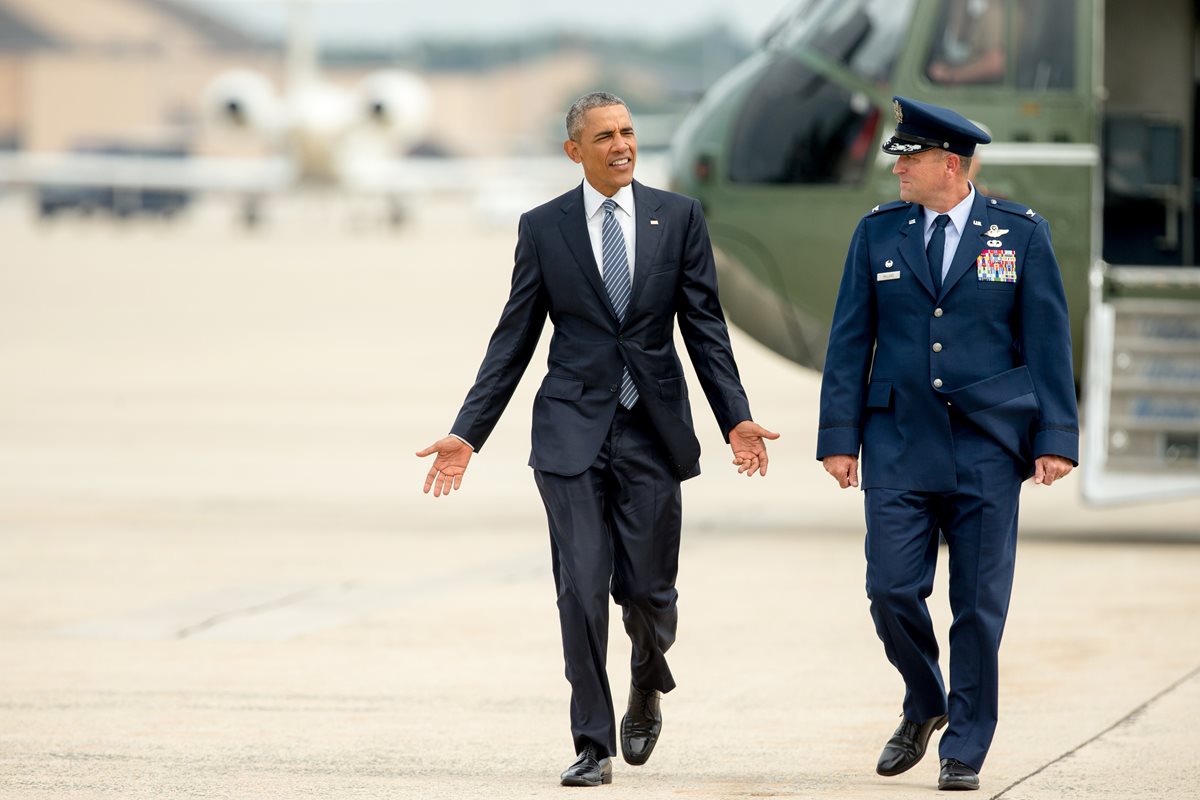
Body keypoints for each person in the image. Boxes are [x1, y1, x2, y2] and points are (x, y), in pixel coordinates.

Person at [417, 91, 778, 788]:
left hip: (652, 431)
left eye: (629, 132)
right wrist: (469, 432)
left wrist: (735, 415)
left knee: (648, 593)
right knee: (580, 589)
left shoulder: (678, 218)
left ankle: (647, 679)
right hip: (569, 434)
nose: (622, 145)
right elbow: (513, 340)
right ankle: (593, 742)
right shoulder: (544, 228)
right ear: (573, 151)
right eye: (605, 136)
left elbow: (705, 328)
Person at [817, 96, 1078, 792]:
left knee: (978, 608)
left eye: (910, 158)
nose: (897, 170)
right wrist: (838, 438)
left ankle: (964, 745)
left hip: (988, 445)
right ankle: (925, 697)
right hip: (896, 438)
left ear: (951, 166)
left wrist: (1056, 437)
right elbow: (849, 341)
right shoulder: (878, 234)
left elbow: (1048, 343)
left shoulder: (1019, 234)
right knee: (889, 588)